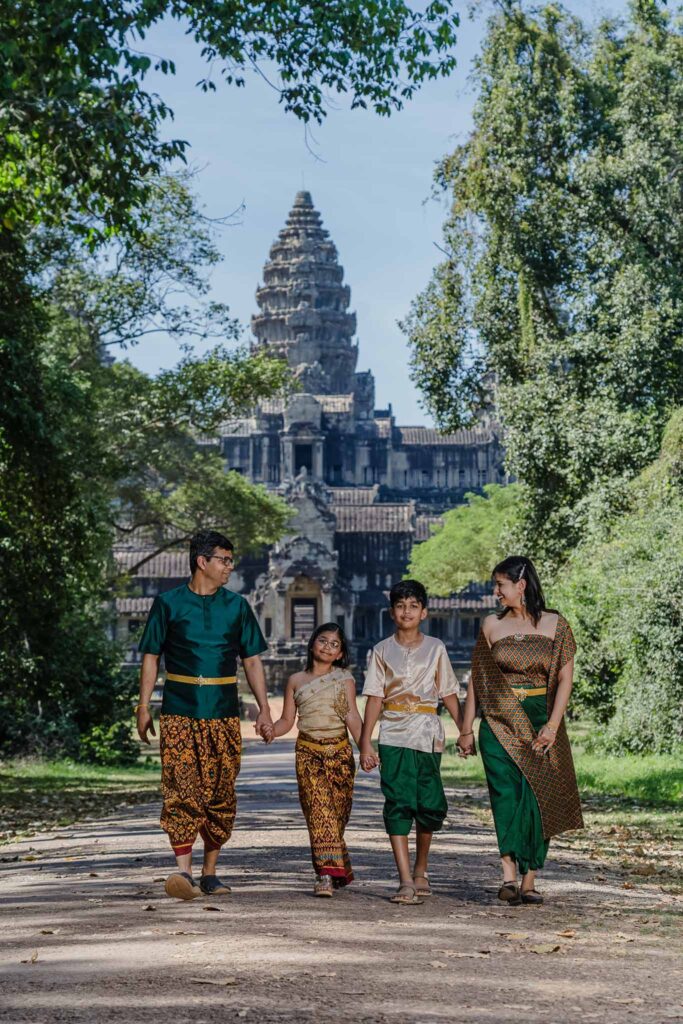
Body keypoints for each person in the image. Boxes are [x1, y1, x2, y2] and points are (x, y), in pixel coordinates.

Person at [135, 529, 273, 900]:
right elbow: (151, 655)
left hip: (223, 712)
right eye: (224, 560)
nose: (230, 567)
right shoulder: (168, 603)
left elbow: (252, 660)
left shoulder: (237, 606)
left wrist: (263, 709)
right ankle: (183, 872)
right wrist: (144, 705)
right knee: (181, 787)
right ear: (202, 561)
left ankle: (210, 872)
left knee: (220, 791)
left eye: (230, 560)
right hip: (179, 710)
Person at [458, 556, 583, 906]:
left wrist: (553, 725)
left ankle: (530, 880)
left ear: (521, 585)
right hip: (498, 721)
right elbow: (477, 683)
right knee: (506, 797)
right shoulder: (490, 626)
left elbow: (564, 679)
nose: (495, 592)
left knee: (538, 797)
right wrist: (466, 729)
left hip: (542, 720)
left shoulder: (557, 625)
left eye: (500, 585)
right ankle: (509, 877)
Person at [359, 580, 464, 905]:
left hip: (428, 732)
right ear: (392, 612)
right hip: (393, 733)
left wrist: (465, 730)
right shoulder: (380, 650)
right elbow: (375, 698)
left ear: (424, 612)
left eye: (413, 606)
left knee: (430, 804)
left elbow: (447, 691)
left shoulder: (435, 648)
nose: (407, 612)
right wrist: (365, 743)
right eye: (401, 606)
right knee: (399, 801)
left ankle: (421, 869)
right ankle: (405, 879)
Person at [267, 623, 362, 897]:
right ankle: (325, 874)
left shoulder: (344, 679)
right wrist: (272, 730)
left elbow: (352, 717)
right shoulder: (296, 680)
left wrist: (366, 748)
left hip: (340, 753)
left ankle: (335, 867)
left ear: (341, 653)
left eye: (335, 644)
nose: (328, 647)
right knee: (319, 813)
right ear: (312, 644)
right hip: (309, 753)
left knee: (337, 816)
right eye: (323, 641)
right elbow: (287, 720)